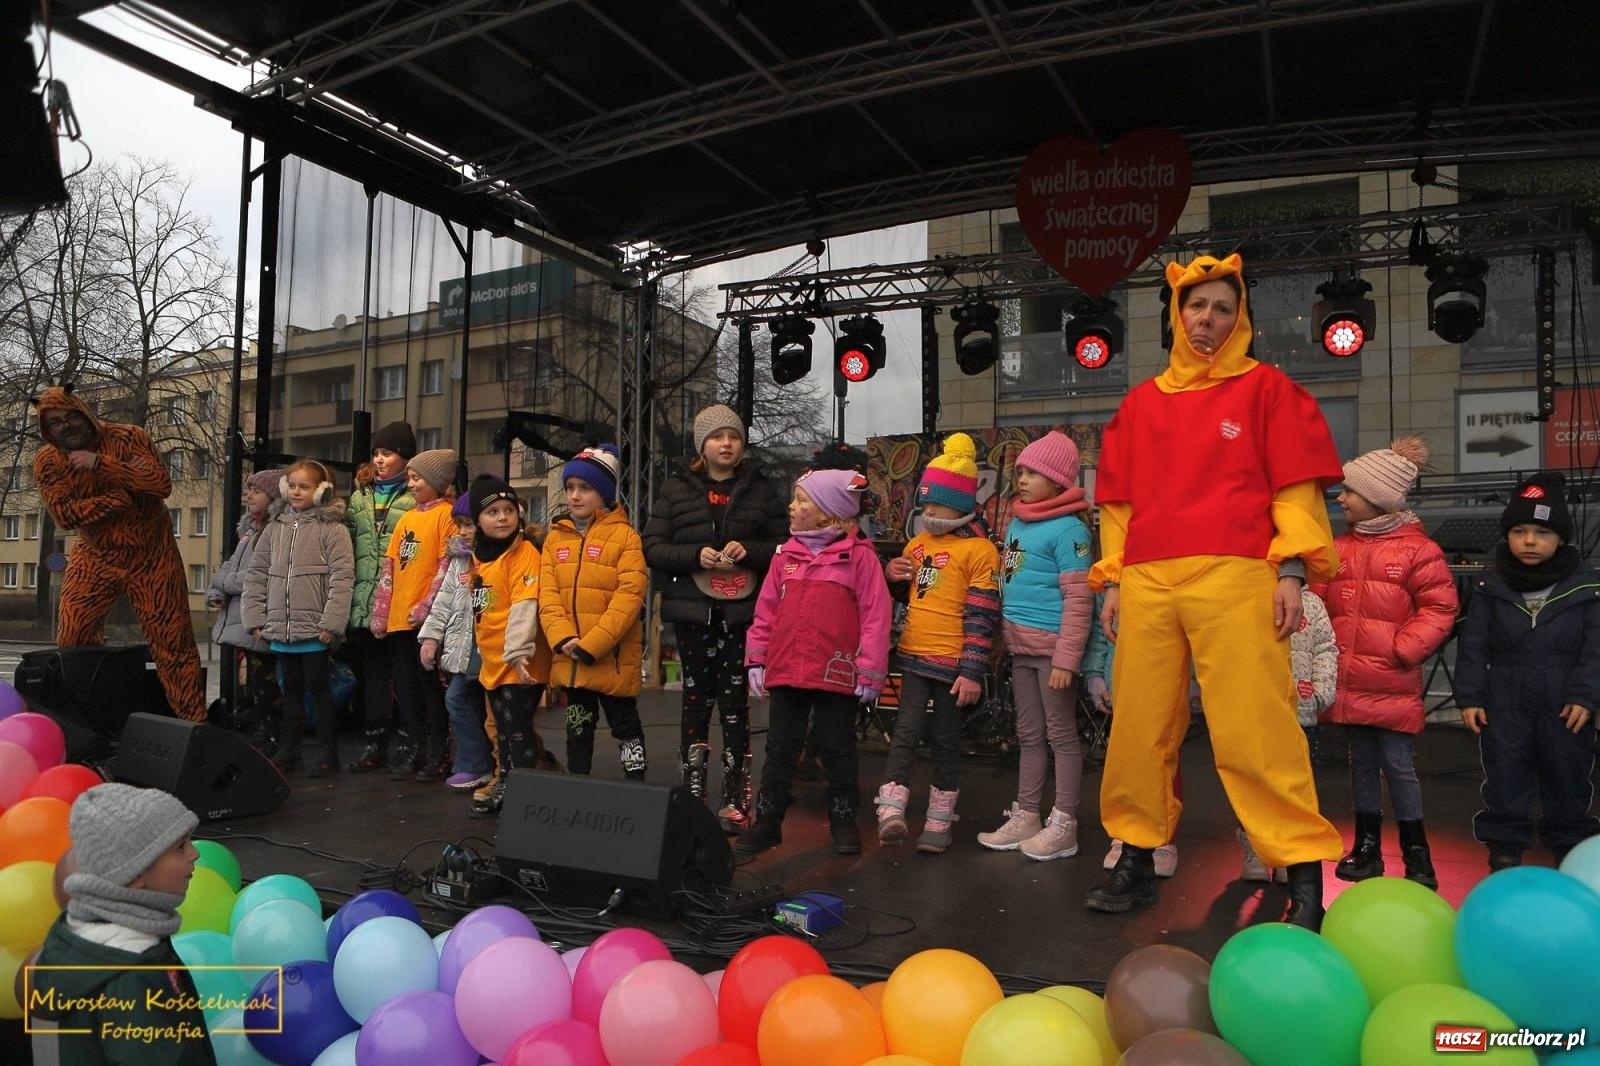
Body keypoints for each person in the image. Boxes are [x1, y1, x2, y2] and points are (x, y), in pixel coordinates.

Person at [1086, 253, 1345, 930]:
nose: (1208, 318)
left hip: (1236, 574)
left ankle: (1301, 869)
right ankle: (1137, 854)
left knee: (1256, 725)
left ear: (1242, 318)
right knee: (1139, 725)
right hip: (1148, 577)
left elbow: (1295, 488)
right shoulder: (1141, 404)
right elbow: (1117, 502)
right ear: (1177, 313)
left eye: (1223, 308)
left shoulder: (1268, 391)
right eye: (1197, 305)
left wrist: (1291, 569)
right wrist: (1113, 578)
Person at [643, 404, 787, 832]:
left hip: (742, 612)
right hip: (692, 610)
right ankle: (692, 794)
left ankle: (736, 795)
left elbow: (783, 546)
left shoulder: (761, 489)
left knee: (734, 704)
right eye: (717, 436)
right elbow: (652, 546)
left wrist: (752, 551)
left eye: (734, 436)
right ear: (701, 445)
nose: (726, 443)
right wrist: (694, 556)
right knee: (694, 700)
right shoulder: (676, 489)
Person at [1321, 437, 1458, 888]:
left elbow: (1440, 608)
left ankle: (1417, 853)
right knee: (1360, 763)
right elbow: (1319, 605)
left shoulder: (1419, 551)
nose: (1340, 498)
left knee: (1399, 766)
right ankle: (1366, 847)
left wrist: (1404, 648)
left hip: (1391, 682)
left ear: (1377, 499)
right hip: (1349, 681)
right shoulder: (1339, 548)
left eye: (1349, 491)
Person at [737, 468, 892, 856]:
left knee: (837, 746)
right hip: (788, 667)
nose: (792, 506)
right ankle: (768, 821)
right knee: (780, 747)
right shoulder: (784, 556)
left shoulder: (859, 558)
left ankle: (843, 819)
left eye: (802, 500)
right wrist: (757, 658)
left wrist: (871, 669)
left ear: (827, 511)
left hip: (836, 671)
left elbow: (876, 614)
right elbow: (766, 611)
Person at [31, 385, 207, 721]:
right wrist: (119, 499)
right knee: (72, 636)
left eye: (71, 417)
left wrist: (101, 464)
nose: (66, 426)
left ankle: (194, 726)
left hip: (151, 554)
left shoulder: (129, 437)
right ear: (46, 430)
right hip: (95, 555)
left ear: (84, 413)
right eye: (55, 423)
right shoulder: (48, 462)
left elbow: (159, 483)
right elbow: (65, 515)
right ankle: (88, 719)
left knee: (172, 643)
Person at [1455, 471, 1600, 870]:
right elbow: (1474, 644)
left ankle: (1570, 847)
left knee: (1568, 774)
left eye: (1541, 532)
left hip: (1565, 701)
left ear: (1560, 538)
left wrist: (1585, 696)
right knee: (1505, 771)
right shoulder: (1491, 584)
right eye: (1519, 531)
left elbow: (1595, 649)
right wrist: (1470, 696)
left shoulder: (1586, 586)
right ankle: (1504, 845)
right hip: (1505, 697)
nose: (1530, 541)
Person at [874, 433, 1000, 853]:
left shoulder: (980, 552)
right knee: (904, 732)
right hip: (912, 658)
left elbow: (983, 616)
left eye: (935, 504)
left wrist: (972, 671)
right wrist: (893, 577)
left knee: (945, 741)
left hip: (952, 666)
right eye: (923, 504)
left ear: (961, 506)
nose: (927, 512)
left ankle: (939, 822)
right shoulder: (916, 545)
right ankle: (890, 812)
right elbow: (908, 596)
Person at [31, 783, 216, 1065]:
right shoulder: (131, 977)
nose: (195, 854)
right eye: (180, 847)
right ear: (134, 874)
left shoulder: (80, 937)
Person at [974, 431, 1095, 860]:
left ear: (1059, 480)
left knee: (1061, 735)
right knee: (1028, 734)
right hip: (1021, 649)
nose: (1022, 479)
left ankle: (1064, 822)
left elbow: (1081, 599)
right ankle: (1028, 813)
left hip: (1051, 652)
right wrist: (1000, 641)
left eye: (1033, 473)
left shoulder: (1070, 530)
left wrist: (1066, 658)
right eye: (1020, 471)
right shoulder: (1019, 523)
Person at [539, 445, 650, 780]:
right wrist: (563, 638)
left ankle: (638, 786)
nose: (575, 496)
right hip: (572, 658)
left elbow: (630, 596)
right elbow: (547, 596)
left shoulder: (626, 538)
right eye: (570, 487)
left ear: (603, 493)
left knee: (626, 727)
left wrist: (594, 643)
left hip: (610, 658)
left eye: (585, 488)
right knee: (577, 730)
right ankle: (577, 785)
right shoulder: (554, 538)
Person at [241, 458, 355, 776]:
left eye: (304, 486)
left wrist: (331, 624)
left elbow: (342, 579)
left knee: (319, 691)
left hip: (315, 632)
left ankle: (327, 753)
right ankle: (290, 751)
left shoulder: (333, 529)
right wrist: (256, 619)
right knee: (289, 690)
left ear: (322, 491)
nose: (295, 492)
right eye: (291, 485)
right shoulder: (274, 528)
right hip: (283, 630)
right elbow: (256, 575)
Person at [464, 475, 560, 817]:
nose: (503, 517)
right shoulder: (478, 557)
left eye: (509, 509)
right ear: (478, 519)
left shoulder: (523, 554)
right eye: (492, 511)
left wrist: (518, 650)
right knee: (502, 728)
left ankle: (525, 793)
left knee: (517, 728)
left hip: (522, 660)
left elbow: (525, 604)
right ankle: (506, 780)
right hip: (494, 659)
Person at [371, 448, 458, 781]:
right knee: (406, 688)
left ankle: (440, 751)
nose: (411, 483)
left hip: (426, 622)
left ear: (437, 481)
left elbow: (445, 567)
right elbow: (390, 569)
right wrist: (381, 612)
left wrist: (427, 607)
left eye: (417, 477)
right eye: (409, 477)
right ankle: (415, 748)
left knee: (430, 687)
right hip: (399, 620)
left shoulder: (446, 516)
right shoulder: (407, 517)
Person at [344, 422, 418, 772]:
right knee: (373, 675)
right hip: (365, 599)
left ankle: (409, 738)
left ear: (405, 458)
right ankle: (374, 740)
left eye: (387, 453)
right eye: (376, 453)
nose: (379, 459)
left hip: (399, 603)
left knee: (404, 673)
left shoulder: (416, 496)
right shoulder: (360, 496)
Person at [419, 494, 493, 791]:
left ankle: (493, 765)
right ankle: (475, 764)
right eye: (460, 524)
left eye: (469, 524)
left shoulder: (497, 557)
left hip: (489, 647)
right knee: (458, 699)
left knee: (491, 711)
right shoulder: (460, 559)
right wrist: (431, 638)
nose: (463, 531)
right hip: (463, 648)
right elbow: (444, 601)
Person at [207, 468, 285, 754]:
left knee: (264, 680)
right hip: (243, 616)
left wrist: (222, 582)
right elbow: (231, 566)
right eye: (248, 488)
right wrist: (217, 592)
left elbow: (258, 575)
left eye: (256, 490)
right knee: (253, 679)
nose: (248, 495)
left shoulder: (276, 531)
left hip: (262, 617)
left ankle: (275, 733)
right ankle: (263, 728)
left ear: (274, 496)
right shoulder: (249, 529)